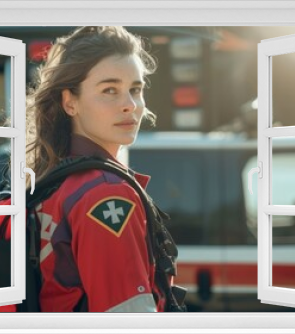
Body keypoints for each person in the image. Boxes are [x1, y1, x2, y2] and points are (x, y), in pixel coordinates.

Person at [25, 26, 181, 312]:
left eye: (135, 89)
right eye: (110, 90)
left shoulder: (52, 183)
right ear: (69, 102)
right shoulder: (107, 195)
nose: (130, 105)